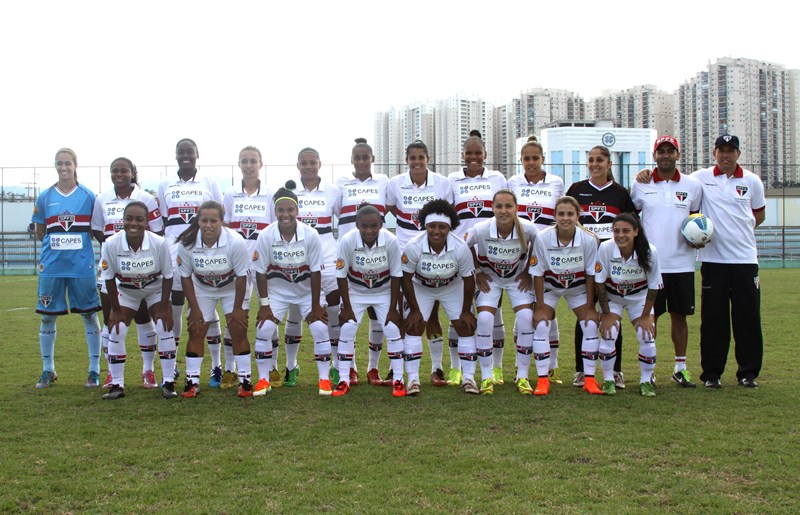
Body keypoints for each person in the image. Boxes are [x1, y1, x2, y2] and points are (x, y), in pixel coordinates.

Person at [639, 135, 765, 388]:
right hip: (712, 260)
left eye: (731, 151)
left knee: (748, 317)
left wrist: (738, 232)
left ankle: (747, 373)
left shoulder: (752, 181)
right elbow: (669, 180)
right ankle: (712, 374)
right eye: (722, 151)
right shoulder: (700, 179)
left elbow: (758, 216)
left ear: (738, 154)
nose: (726, 155)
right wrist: (645, 173)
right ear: (715, 153)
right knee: (713, 319)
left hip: (745, 259)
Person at [631, 136, 702, 388]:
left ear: (677, 155)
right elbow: (631, 220)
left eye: (670, 151)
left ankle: (680, 368)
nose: (665, 155)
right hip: (651, 265)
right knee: (651, 317)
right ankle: (649, 370)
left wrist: (699, 238)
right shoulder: (641, 184)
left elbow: (698, 220)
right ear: (654, 156)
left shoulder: (692, 186)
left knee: (680, 316)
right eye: (660, 151)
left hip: (682, 263)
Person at [252, 183, 333, 396]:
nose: (285, 214)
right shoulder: (266, 235)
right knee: (265, 329)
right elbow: (260, 272)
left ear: (297, 211)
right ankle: (263, 379)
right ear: (275, 212)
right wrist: (265, 306)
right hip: (278, 293)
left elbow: (316, 272)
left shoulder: (311, 234)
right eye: (281, 210)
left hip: (306, 292)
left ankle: (324, 379)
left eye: (290, 210)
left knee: (319, 328)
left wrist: (316, 306)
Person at [566, 145, 636, 389]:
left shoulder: (620, 192)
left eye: (600, 160)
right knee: (585, 313)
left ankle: (614, 370)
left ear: (609, 164)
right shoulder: (577, 189)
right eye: (591, 160)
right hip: (583, 262)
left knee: (611, 314)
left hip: (611, 263)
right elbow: (566, 219)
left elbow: (630, 225)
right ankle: (580, 370)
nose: (594, 164)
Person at [32, 148, 102, 388]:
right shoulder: (44, 197)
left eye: (67, 163)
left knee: (89, 314)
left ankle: (94, 370)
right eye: (59, 164)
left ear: (75, 165)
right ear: (55, 166)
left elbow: (94, 231)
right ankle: (48, 369)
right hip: (52, 267)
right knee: (47, 317)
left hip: (81, 267)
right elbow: (41, 233)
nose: (63, 168)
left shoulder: (88, 196)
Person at [157, 139, 224, 387]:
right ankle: (172, 365)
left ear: (197, 155)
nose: (185, 156)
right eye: (181, 152)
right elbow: (164, 220)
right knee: (175, 309)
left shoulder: (210, 182)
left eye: (189, 152)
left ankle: (216, 366)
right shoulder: (165, 183)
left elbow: (218, 216)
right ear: (175, 155)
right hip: (175, 255)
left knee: (207, 308)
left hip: (204, 255)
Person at [386, 140, 453, 387]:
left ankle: (437, 368)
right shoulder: (395, 184)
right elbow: (391, 206)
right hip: (405, 257)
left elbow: (445, 214)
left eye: (421, 157)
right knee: (407, 314)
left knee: (432, 314)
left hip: (433, 255)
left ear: (428, 158)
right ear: (407, 160)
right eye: (412, 157)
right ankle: (398, 368)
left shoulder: (442, 183)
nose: (417, 161)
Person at [92, 157, 163, 389]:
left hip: (142, 268)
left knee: (144, 319)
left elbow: (157, 231)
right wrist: (116, 250)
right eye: (114, 171)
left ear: (133, 173)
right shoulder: (101, 198)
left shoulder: (146, 198)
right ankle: (111, 374)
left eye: (124, 170)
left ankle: (148, 371)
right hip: (114, 266)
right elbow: (96, 229)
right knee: (111, 320)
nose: (119, 174)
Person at [448, 130, 508, 387]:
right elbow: (450, 220)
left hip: (492, 257)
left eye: (478, 153)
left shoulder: (497, 178)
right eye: (469, 153)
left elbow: (506, 211)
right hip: (461, 256)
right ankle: (455, 368)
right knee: (457, 311)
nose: (473, 158)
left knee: (493, 312)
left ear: (485, 155)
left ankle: (497, 368)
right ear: (463, 155)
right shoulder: (452, 180)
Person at [99, 202, 177, 399]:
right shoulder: (110, 243)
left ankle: (168, 381)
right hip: (127, 289)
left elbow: (168, 276)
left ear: (147, 222)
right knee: (117, 328)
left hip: (154, 289)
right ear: (122, 220)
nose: (133, 223)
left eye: (139, 219)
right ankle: (117, 384)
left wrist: (165, 305)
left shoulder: (159, 243)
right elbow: (108, 278)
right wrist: (115, 310)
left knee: (162, 325)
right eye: (129, 219)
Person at [175, 201, 252, 398]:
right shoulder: (187, 243)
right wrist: (195, 309)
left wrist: (237, 310)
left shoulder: (235, 241)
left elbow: (242, 277)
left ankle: (245, 381)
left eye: (213, 221)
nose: (208, 225)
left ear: (221, 221)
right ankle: (192, 381)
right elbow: (185, 277)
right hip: (202, 287)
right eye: (204, 221)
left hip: (232, 287)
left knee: (237, 328)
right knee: (197, 328)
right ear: (198, 221)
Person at [401, 199, 477, 395]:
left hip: (451, 286)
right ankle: (413, 380)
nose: (436, 231)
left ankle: (469, 379)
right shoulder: (413, 246)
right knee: (414, 326)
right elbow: (406, 279)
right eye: (432, 226)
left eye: (442, 227)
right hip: (422, 287)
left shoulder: (460, 248)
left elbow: (469, 280)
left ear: (449, 228)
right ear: (425, 226)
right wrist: (415, 310)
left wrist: (467, 311)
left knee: (464, 325)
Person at [466, 189, 537, 395]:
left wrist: (528, 272)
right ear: (492, 208)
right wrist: (478, 271)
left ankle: (522, 376)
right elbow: (464, 247)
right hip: (491, 280)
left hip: (516, 280)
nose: (503, 211)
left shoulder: (529, 228)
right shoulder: (481, 229)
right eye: (499, 206)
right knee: (486, 319)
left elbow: (539, 249)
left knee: (525, 317)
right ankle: (487, 376)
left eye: (508, 206)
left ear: (516, 208)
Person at [281, 148, 342, 387]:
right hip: (295, 259)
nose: (308, 166)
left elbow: (346, 222)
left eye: (312, 162)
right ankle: (290, 367)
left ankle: (338, 366)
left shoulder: (333, 191)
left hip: (328, 257)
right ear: (297, 165)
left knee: (333, 313)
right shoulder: (288, 190)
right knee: (294, 312)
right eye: (304, 163)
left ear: (320, 164)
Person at [507, 135, 565, 383]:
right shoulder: (513, 182)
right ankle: (521, 367)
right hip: (521, 255)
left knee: (547, 311)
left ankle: (552, 366)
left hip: (548, 255)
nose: (531, 163)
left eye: (535, 158)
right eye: (526, 159)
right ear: (521, 161)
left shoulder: (556, 182)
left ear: (543, 159)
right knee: (524, 312)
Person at [530, 196, 600, 395]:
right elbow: (537, 273)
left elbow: (590, 275)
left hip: (577, 289)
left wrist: (589, 306)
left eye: (570, 214)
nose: (566, 218)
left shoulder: (589, 238)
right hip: (550, 288)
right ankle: (543, 380)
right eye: (561, 214)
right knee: (542, 324)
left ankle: (589, 380)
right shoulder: (542, 237)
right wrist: (541, 306)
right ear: (555, 215)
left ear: (578, 215)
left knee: (590, 324)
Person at [223, 145, 281, 389]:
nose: (249, 165)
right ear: (239, 165)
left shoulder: (270, 194)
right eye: (244, 161)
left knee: (271, 313)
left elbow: (276, 229)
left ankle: (274, 368)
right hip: (237, 265)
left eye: (253, 161)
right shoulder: (230, 194)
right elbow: (224, 228)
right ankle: (230, 369)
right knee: (236, 315)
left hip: (264, 265)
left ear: (261, 164)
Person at [336, 138, 391, 386]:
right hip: (351, 254)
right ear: (351, 160)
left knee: (376, 314)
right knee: (349, 313)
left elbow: (388, 210)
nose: (360, 161)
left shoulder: (384, 182)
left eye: (365, 157)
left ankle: (373, 367)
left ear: (372, 159)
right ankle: (352, 369)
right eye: (356, 157)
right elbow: (338, 212)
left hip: (376, 254)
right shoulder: (340, 184)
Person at [334, 204, 405, 397]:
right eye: (364, 226)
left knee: (391, 328)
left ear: (381, 224)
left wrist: (393, 309)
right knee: (348, 328)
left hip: (383, 292)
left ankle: (398, 379)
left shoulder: (391, 240)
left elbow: (396, 275)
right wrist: (347, 307)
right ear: (357, 225)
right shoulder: (347, 240)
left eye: (374, 226)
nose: (369, 230)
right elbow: (341, 275)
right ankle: (343, 379)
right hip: (356, 291)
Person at [594, 213, 663, 397]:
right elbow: (599, 283)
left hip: (638, 298)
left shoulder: (650, 252)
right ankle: (608, 379)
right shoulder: (606, 248)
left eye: (626, 231)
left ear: (636, 232)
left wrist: (646, 316)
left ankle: (646, 381)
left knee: (646, 334)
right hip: (613, 297)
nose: (620, 235)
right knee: (609, 333)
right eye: (616, 231)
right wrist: (606, 314)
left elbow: (654, 286)